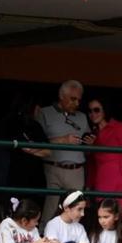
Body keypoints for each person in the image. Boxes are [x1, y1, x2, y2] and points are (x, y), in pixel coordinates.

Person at [37, 80, 91, 225]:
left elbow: (88, 140)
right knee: (49, 210)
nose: (77, 103)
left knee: (76, 211)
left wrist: (90, 142)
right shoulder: (44, 113)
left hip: (76, 169)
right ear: (62, 96)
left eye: (79, 100)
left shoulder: (82, 116)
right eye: (73, 99)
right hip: (52, 167)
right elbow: (36, 142)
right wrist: (63, 140)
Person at [85, 97, 122, 227]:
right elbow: (92, 164)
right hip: (102, 184)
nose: (93, 114)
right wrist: (87, 187)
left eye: (97, 110)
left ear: (105, 111)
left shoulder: (120, 127)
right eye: (90, 111)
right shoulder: (93, 135)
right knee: (106, 226)